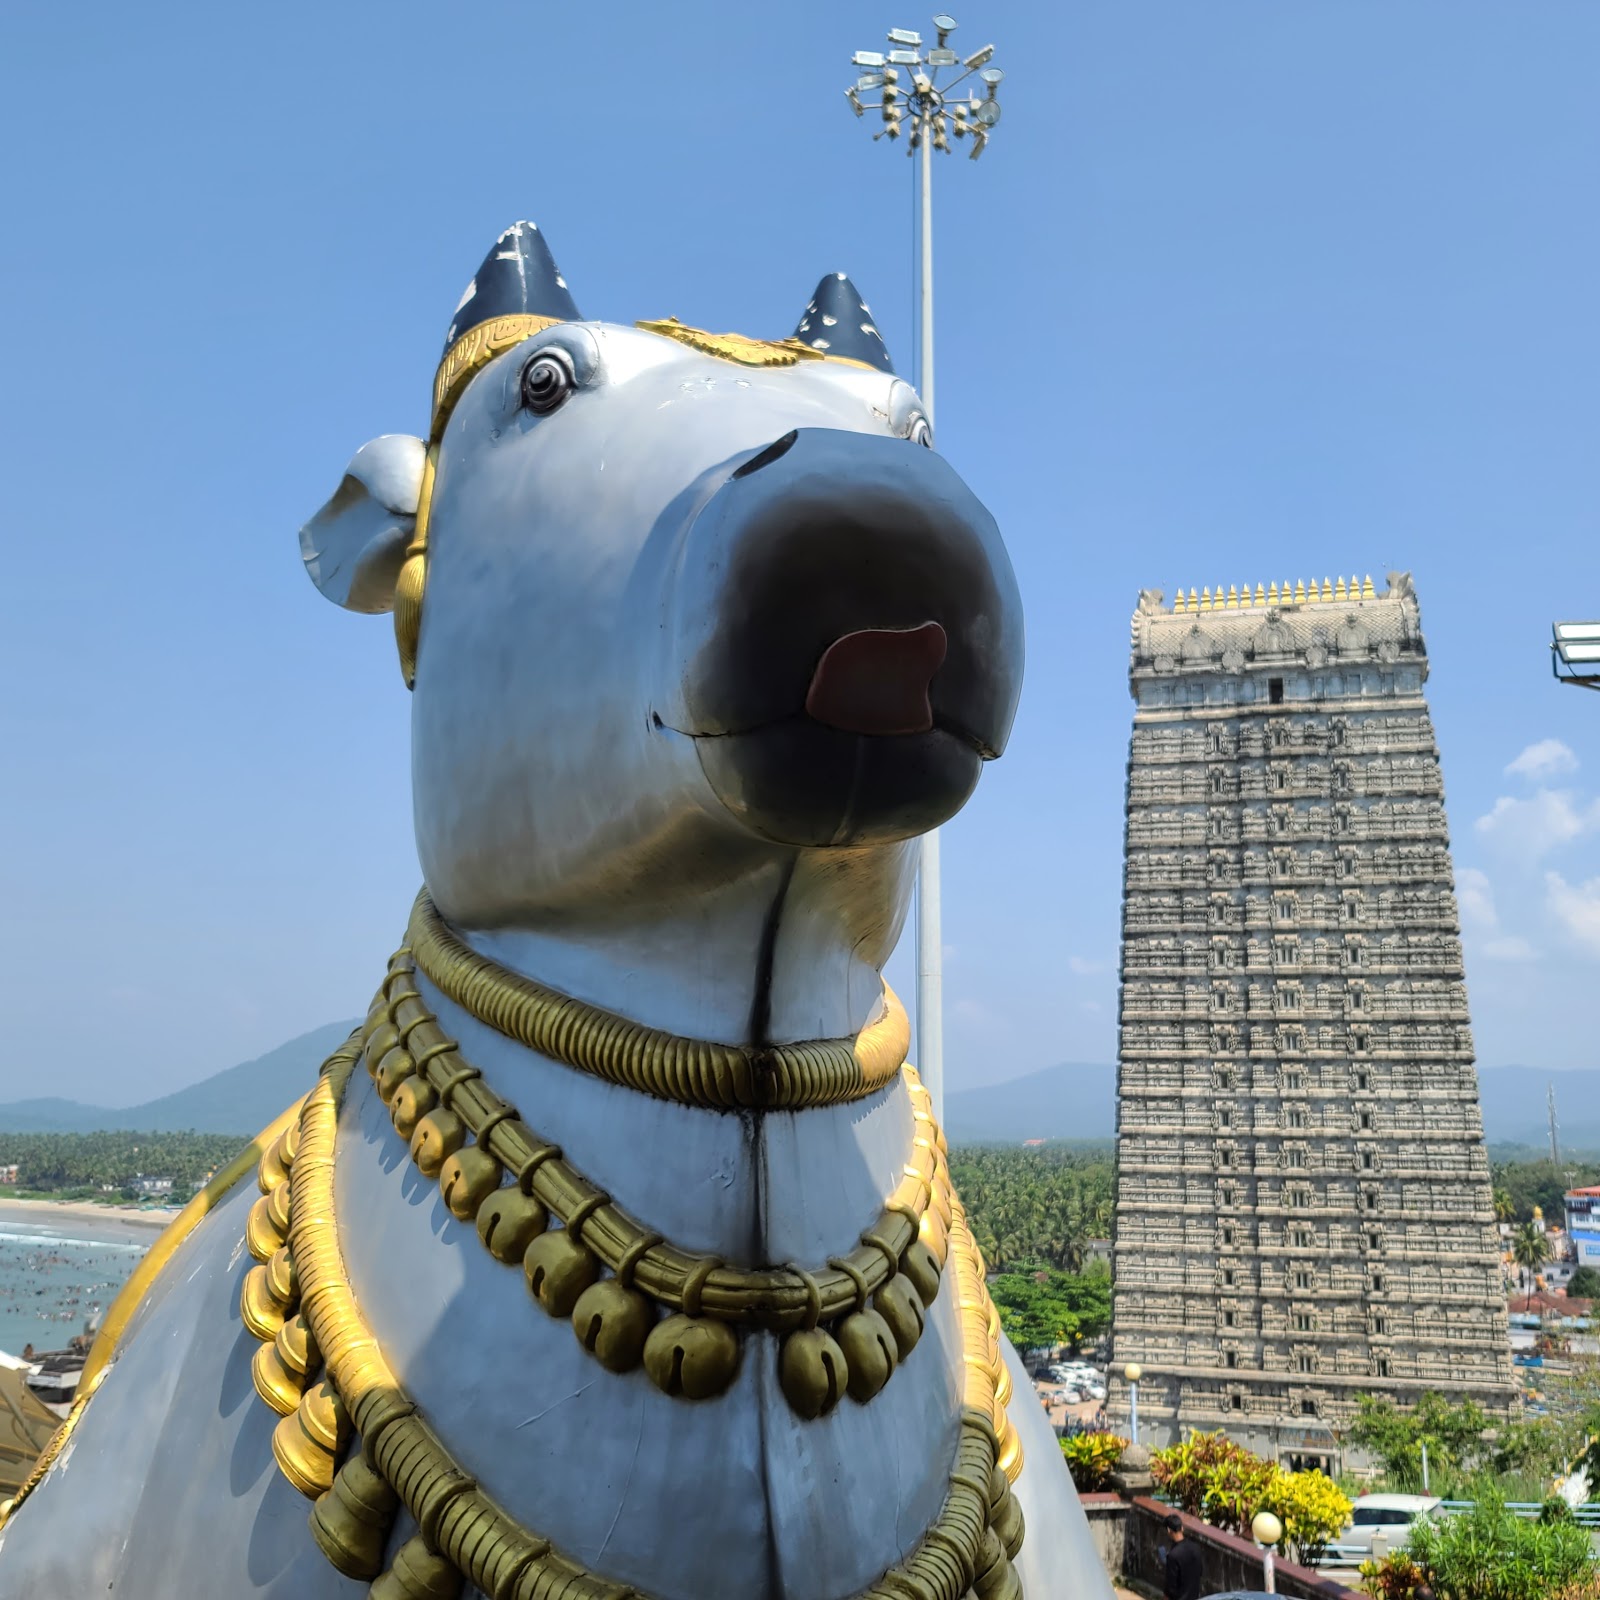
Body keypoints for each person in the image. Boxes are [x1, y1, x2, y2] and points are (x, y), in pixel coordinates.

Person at [1162, 1512, 1203, 1600]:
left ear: (1169, 1530)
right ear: (1182, 1528)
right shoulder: (1196, 1548)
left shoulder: (1173, 1556)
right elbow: (1200, 1572)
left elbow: (1170, 1587)